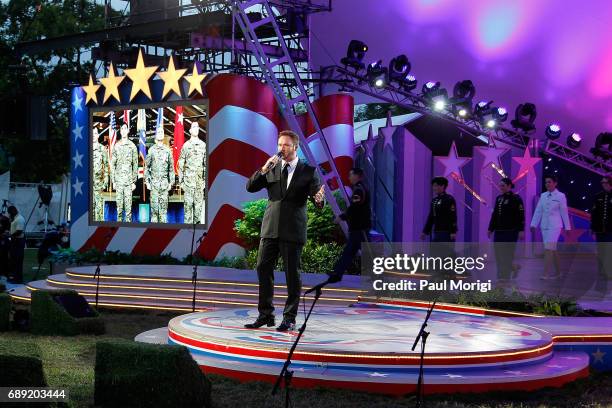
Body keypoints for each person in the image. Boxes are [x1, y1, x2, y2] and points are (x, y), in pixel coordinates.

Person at [244, 130, 325, 332]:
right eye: (279, 144)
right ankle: (265, 315)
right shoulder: (271, 167)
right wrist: (263, 169)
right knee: (263, 268)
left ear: (295, 147)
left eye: (286, 145)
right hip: (270, 228)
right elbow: (250, 187)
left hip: (293, 230)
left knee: (292, 275)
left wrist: (319, 199)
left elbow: (318, 200)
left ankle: (289, 318)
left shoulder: (308, 171)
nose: (281, 149)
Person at [328, 168, 371, 283]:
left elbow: (354, 209)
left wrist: (341, 217)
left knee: (365, 253)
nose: (349, 177)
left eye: (351, 175)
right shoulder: (360, 189)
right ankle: (337, 273)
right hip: (358, 228)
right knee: (349, 252)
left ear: (357, 176)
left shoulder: (359, 190)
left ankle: (337, 273)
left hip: (360, 228)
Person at [530, 175, 571, 279]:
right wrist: (533, 224)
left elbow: (564, 212)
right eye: (546, 182)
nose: (547, 184)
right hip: (544, 226)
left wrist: (568, 227)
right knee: (552, 249)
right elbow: (538, 211)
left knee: (548, 248)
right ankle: (558, 272)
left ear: (555, 183)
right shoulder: (543, 195)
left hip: (555, 226)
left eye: (549, 182)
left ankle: (545, 274)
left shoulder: (561, 196)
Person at [488, 178, 525, 281]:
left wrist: (521, 230)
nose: (501, 187)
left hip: (511, 231)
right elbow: (495, 214)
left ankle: (505, 276)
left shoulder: (516, 198)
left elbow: (521, 215)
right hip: (499, 231)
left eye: (503, 185)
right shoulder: (498, 198)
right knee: (499, 254)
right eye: (500, 186)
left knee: (507, 254)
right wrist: (490, 228)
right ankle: (512, 268)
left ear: (509, 186)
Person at [178, 122, 206, 224]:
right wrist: (181, 182)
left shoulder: (203, 145)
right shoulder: (186, 146)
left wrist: (205, 182)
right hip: (188, 185)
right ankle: (185, 238)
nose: (196, 128)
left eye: (197, 127)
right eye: (194, 127)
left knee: (198, 215)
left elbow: (206, 165)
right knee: (187, 215)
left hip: (199, 184)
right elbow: (180, 164)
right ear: (190, 130)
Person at [146, 128, 174, 223]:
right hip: (154, 186)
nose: (160, 134)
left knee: (163, 214)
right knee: (154, 214)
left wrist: (171, 183)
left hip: (164, 186)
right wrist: (148, 182)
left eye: (162, 132)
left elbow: (171, 168)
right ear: (156, 135)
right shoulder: (151, 150)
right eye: (158, 132)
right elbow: (147, 168)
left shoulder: (167, 151)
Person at [111, 124, 138, 222]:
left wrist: (134, 182)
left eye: (125, 128)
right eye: (121, 128)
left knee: (128, 209)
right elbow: (113, 164)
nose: (123, 130)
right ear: (120, 131)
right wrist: (113, 181)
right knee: (118, 208)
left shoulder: (132, 146)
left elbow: (135, 165)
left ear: (128, 131)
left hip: (128, 182)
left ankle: (127, 230)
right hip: (118, 182)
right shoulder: (116, 146)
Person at [590, 175, 612, 287]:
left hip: (610, 230)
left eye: (605, 182)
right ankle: (602, 272)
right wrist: (593, 229)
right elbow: (594, 214)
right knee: (601, 251)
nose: (603, 184)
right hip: (599, 230)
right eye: (602, 183)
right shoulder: (598, 196)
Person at [420, 177, 457, 242]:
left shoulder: (449, 199)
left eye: (436, 186)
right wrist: (425, 232)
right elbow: (431, 217)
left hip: (447, 232)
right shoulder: (434, 200)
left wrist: (453, 231)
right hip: (437, 232)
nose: (434, 188)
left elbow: (453, 216)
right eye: (433, 186)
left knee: (446, 251)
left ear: (442, 186)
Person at [92, 128, 109, 222]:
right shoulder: (86, 149)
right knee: (88, 208)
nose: (93, 135)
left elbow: (106, 166)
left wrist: (105, 182)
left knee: (98, 209)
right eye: (92, 133)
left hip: (98, 183)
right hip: (87, 184)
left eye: (95, 133)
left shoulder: (102, 149)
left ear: (98, 135)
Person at [7, 206, 26, 284]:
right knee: (14, 259)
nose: (9, 214)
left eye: (9, 213)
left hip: (18, 241)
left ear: (12, 212)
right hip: (15, 241)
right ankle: (15, 277)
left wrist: (10, 236)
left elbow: (19, 231)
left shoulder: (20, 219)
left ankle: (18, 279)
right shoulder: (15, 218)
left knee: (18, 260)